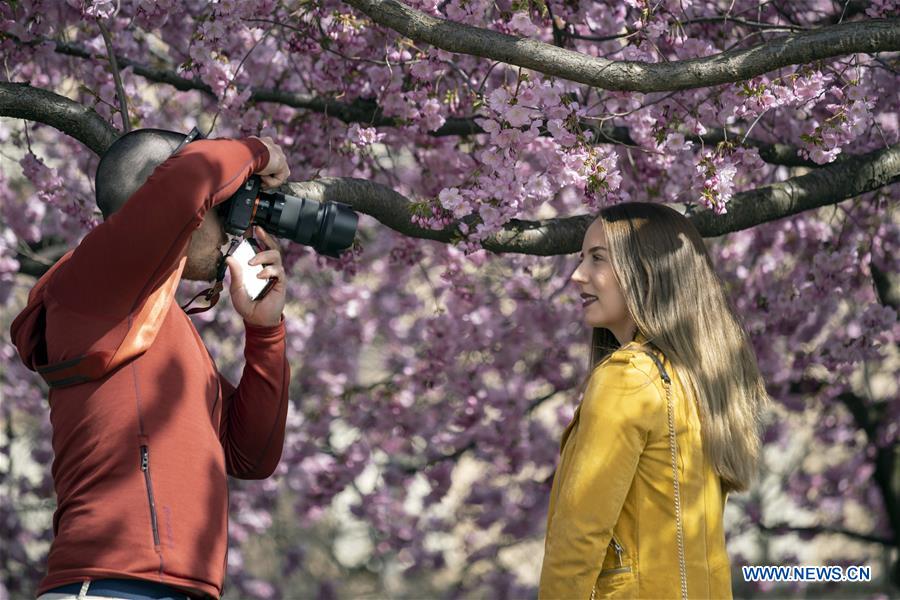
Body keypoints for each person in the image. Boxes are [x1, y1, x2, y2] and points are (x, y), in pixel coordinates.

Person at [10, 129, 293, 599]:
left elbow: (251, 455)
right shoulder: (95, 278)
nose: (231, 228)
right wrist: (260, 150)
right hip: (108, 583)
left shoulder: (158, 325)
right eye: (222, 207)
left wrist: (265, 332)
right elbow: (189, 179)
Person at [538, 202, 770, 599]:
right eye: (581, 259)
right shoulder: (699, 380)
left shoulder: (626, 379)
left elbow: (579, 537)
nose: (577, 276)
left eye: (598, 258)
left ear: (646, 268)